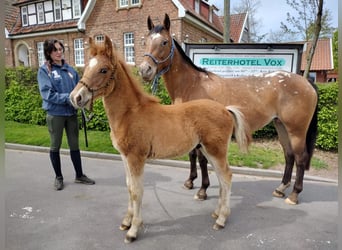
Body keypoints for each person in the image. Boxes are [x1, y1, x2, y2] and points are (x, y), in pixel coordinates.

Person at [37, 38, 95, 190]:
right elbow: (48, 95)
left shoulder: (71, 71)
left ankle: (79, 175)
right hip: (55, 114)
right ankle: (58, 177)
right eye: (55, 50)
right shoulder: (45, 71)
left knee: (74, 145)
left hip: (71, 114)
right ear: (49, 53)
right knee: (55, 145)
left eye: (60, 49)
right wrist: (70, 98)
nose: (59, 52)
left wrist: (83, 101)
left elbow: (79, 91)